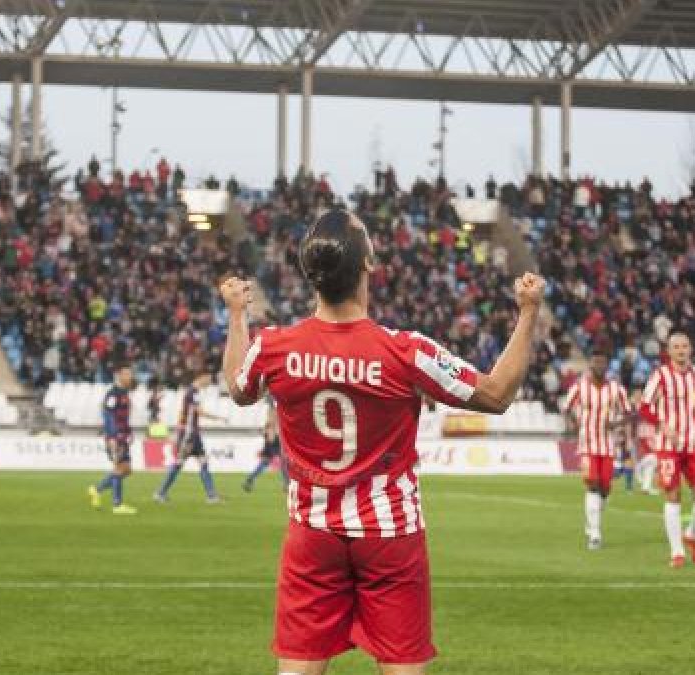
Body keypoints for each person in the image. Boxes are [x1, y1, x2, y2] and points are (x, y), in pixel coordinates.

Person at [219, 207, 542, 675]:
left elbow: (237, 387)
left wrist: (235, 315)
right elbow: (497, 393)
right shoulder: (405, 351)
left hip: (313, 528)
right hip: (389, 532)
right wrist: (529, 312)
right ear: (368, 263)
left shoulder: (275, 347)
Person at [638, 332, 695, 567]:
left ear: (690, 349)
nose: (681, 350)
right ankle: (677, 552)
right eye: (676, 347)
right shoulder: (660, 375)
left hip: (693, 444)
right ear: (669, 351)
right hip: (668, 446)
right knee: (673, 495)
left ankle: (690, 534)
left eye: (685, 346)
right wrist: (662, 425)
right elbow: (645, 407)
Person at [560, 347, 631, 549]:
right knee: (592, 484)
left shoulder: (616, 389)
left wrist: (616, 424)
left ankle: (592, 522)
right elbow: (566, 409)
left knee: (605, 489)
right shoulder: (580, 387)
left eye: (602, 362)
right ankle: (595, 534)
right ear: (591, 364)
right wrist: (573, 423)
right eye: (595, 362)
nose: (599, 366)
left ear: (607, 365)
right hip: (587, 444)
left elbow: (628, 413)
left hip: (608, 445)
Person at [153, 370, 226, 504]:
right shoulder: (193, 392)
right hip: (188, 434)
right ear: (201, 377)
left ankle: (211, 495)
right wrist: (219, 418)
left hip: (193, 434)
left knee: (203, 462)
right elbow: (198, 411)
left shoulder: (193, 392)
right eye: (208, 379)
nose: (209, 382)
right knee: (179, 464)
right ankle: (160, 492)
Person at [90, 365, 138, 515]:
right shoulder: (113, 394)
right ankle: (117, 505)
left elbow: (123, 417)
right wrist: (113, 438)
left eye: (131, 374)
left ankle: (97, 490)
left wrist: (129, 432)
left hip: (123, 436)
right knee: (119, 468)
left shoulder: (124, 393)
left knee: (126, 470)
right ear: (120, 376)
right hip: (116, 438)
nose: (130, 377)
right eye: (127, 375)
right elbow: (109, 417)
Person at [242, 400, 287, 493]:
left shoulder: (273, 410)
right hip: (273, 438)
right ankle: (287, 484)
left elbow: (269, 424)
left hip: (271, 437)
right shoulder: (273, 410)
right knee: (282, 462)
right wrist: (272, 434)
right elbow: (271, 423)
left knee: (266, 462)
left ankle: (249, 480)